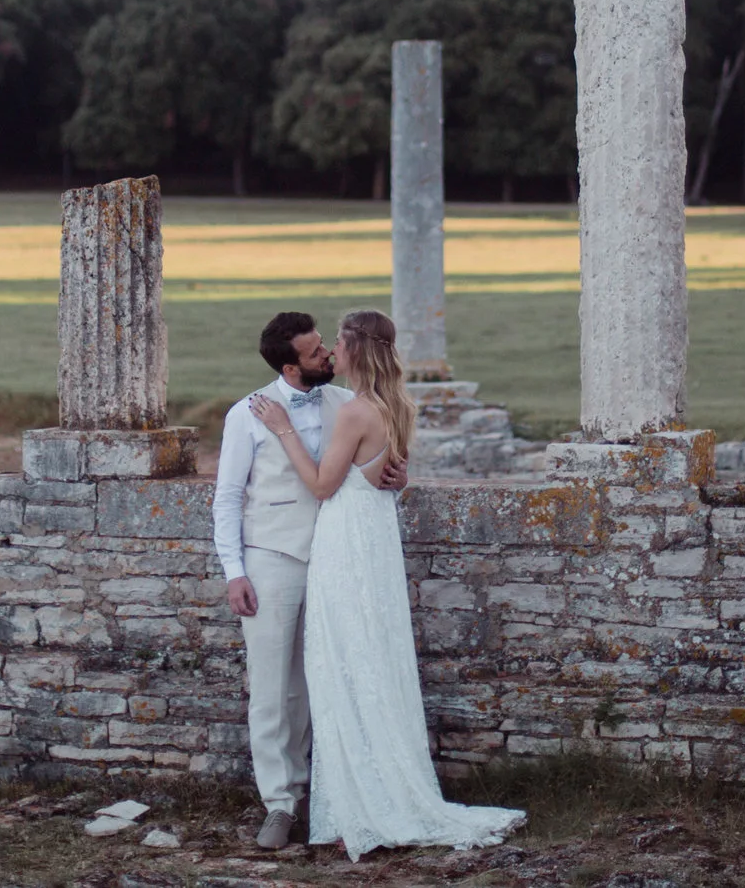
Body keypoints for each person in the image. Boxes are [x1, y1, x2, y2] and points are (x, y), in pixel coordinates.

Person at [248, 309, 525, 861]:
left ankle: (363, 803)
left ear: (355, 349)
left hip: (347, 543)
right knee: (369, 659)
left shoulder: (353, 412)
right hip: (374, 539)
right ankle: (370, 790)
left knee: (342, 666)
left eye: (338, 344)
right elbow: (388, 472)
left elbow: (325, 486)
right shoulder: (396, 404)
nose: (332, 352)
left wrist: (282, 430)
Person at [212, 311, 408, 850]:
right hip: (272, 556)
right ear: (289, 366)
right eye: (315, 351)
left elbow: (367, 467)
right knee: (274, 687)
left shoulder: (345, 403)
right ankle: (279, 803)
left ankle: (334, 793)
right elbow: (227, 497)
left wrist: (397, 476)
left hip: (338, 558)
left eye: (327, 346)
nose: (327, 355)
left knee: (328, 679)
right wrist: (235, 571)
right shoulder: (247, 415)